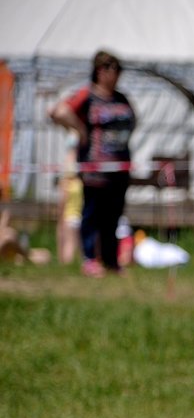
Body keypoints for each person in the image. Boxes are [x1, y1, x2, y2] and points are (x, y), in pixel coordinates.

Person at [49, 50, 136, 277]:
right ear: (100, 71)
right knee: (92, 214)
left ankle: (110, 260)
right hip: (94, 169)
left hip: (119, 168)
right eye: (113, 70)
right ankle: (89, 259)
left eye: (119, 70)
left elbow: (134, 120)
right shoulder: (86, 95)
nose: (117, 75)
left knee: (113, 217)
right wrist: (80, 129)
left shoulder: (121, 98)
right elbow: (57, 111)